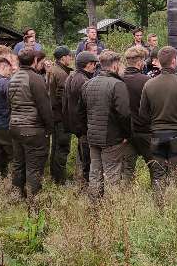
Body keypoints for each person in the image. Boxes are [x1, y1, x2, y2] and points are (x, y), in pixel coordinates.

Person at [139, 46, 177, 197]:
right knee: (174, 176)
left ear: (159, 61)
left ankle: (159, 208)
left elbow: (142, 114)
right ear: (174, 61)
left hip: (156, 135)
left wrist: (150, 131)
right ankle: (172, 205)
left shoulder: (149, 84)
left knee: (158, 175)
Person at [77, 51, 133, 198]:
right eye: (120, 65)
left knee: (95, 172)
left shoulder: (87, 84)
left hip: (93, 137)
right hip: (112, 138)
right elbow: (125, 114)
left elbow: (81, 113)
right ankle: (111, 209)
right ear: (115, 66)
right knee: (112, 175)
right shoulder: (118, 85)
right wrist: (127, 135)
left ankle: (94, 205)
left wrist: (88, 130)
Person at [7, 48, 54, 205]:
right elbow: (44, 107)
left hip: (15, 127)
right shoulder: (35, 78)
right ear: (34, 61)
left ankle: (16, 198)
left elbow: (10, 104)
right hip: (33, 130)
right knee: (34, 168)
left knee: (18, 165)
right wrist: (50, 129)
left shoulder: (13, 77)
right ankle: (34, 204)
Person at [63, 51, 97, 185]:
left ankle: (81, 183)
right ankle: (85, 187)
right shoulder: (83, 81)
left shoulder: (72, 77)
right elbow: (85, 107)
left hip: (77, 127)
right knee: (87, 162)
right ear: (86, 65)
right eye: (93, 64)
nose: (94, 66)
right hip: (83, 128)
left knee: (82, 158)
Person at [121, 46, 153, 185]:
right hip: (145, 131)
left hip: (125, 133)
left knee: (127, 169)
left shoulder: (118, 80)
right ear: (140, 62)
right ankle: (159, 198)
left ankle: (125, 198)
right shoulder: (147, 81)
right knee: (154, 165)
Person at [46, 46, 73, 185]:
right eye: (69, 56)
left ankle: (55, 176)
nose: (71, 58)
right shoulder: (61, 74)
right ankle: (60, 180)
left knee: (55, 147)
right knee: (62, 147)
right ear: (63, 58)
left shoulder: (52, 70)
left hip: (55, 116)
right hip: (61, 117)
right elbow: (63, 98)